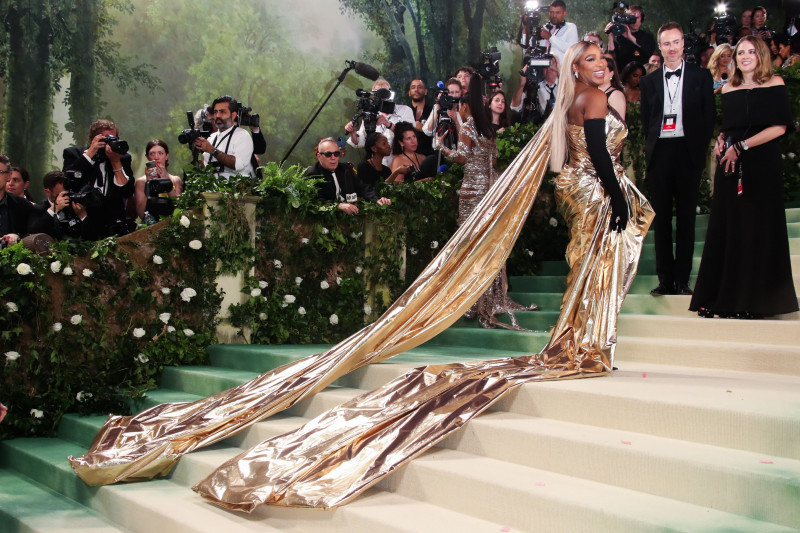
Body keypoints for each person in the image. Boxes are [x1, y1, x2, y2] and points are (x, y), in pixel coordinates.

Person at [690, 36, 798, 319]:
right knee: (729, 227)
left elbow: (779, 128)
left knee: (757, 228)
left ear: (761, 55)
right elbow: (732, 124)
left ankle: (756, 301)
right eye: (741, 52)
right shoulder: (727, 88)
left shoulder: (775, 83)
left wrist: (742, 146)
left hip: (761, 164)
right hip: (730, 164)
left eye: (752, 51)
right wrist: (723, 139)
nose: (746, 56)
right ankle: (722, 298)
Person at [439, 75, 538, 329]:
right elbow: (492, 162)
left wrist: (443, 148)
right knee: (489, 243)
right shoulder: (487, 129)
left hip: (472, 191)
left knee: (471, 244)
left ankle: (473, 302)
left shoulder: (470, 126)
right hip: (490, 190)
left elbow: (461, 158)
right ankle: (492, 297)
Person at [640, 22, 715, 296]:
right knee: (661, 220)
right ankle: (665, 280)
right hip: (660, 154)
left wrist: (697, 149)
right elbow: (647, 120)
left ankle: (683, 281)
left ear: (683, 44)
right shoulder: (648, 81)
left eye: (676, 42)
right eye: (666, 43)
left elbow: (709, 118)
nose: (671, 48)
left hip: (688, 152)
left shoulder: (702, 77)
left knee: (686, 218)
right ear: (659, 46)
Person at [62, 119, 135, 240]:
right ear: (94, 139)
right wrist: (90, 154)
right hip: (82, 220)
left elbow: (127, 191)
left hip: (113, 224)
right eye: (106, 139)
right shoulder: (73, 154)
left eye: (114, 139)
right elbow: (68, 182)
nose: (109, 144)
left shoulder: (123, 158)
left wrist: (115, 162)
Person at [305, 137, 391, 215]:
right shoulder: (313, 175)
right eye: (328, 154)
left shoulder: (345, 168)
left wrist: (377, 199)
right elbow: (316, 201)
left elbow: (362, 187)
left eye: (336, 154)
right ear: (319, 156)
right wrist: (338, 206)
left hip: (353, 215)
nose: (333, 158)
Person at [345, 79, 415, 167]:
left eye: (385, 93)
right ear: (374, 96)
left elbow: (410, 137)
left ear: (391, 94)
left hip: (400, 163)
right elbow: (359, 142)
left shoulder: (404, 110)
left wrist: (387, 123)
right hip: (377, 166)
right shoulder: (370, 114)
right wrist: (352, 132)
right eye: (379, 94)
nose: (383, 97)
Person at [195, 95, 254, 179]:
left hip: (236, 190)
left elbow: (238, 165)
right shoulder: (211, 138)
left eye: (222, 112)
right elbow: (211, 169)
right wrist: (202, 169)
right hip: (212, 191)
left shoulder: (242, 135)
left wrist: (212, 150)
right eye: (215, 112)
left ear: (233, 115)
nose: (218, 115)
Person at [134, 140, 184, 220]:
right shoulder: (141, 182)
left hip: (171, 224)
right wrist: (148, 183)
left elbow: (179, 208)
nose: (156, 157)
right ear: (147, 157)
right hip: (150, 225)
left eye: (160, 153)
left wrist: (166, 181)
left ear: (167, 156)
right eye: (152, 154)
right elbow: (141, 214)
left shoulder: (175, 180)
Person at [606, 4, 656, 69]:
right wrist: (610, 36)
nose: (634, 21)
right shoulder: (618, 37)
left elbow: (649, 52)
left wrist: (632, 38)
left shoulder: (647, 36)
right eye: (632, 18)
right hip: (622, 74)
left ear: (641, 19)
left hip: (641, 75)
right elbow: (610, 57)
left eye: (637, 18)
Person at [27, 171, 73, 239]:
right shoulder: (37, 209)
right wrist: (54, 209)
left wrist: (82, 215)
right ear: (47, 192)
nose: (65, 197)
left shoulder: (73, 207)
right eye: (60, 194)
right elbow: (33, 232)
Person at [408, 78, 433, 156]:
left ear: (425, 91)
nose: (416, 90)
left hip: (429, 155)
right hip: (409, 157)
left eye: (420, 87)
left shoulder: (433, 111)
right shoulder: (404, 112)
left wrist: (424, 129)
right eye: (413, 87)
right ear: (409, 92)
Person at [599, 54, 627, 120]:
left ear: (611, 73)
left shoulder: (616, 95)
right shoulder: (592, 92)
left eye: (603, 71)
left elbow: (618, 125)